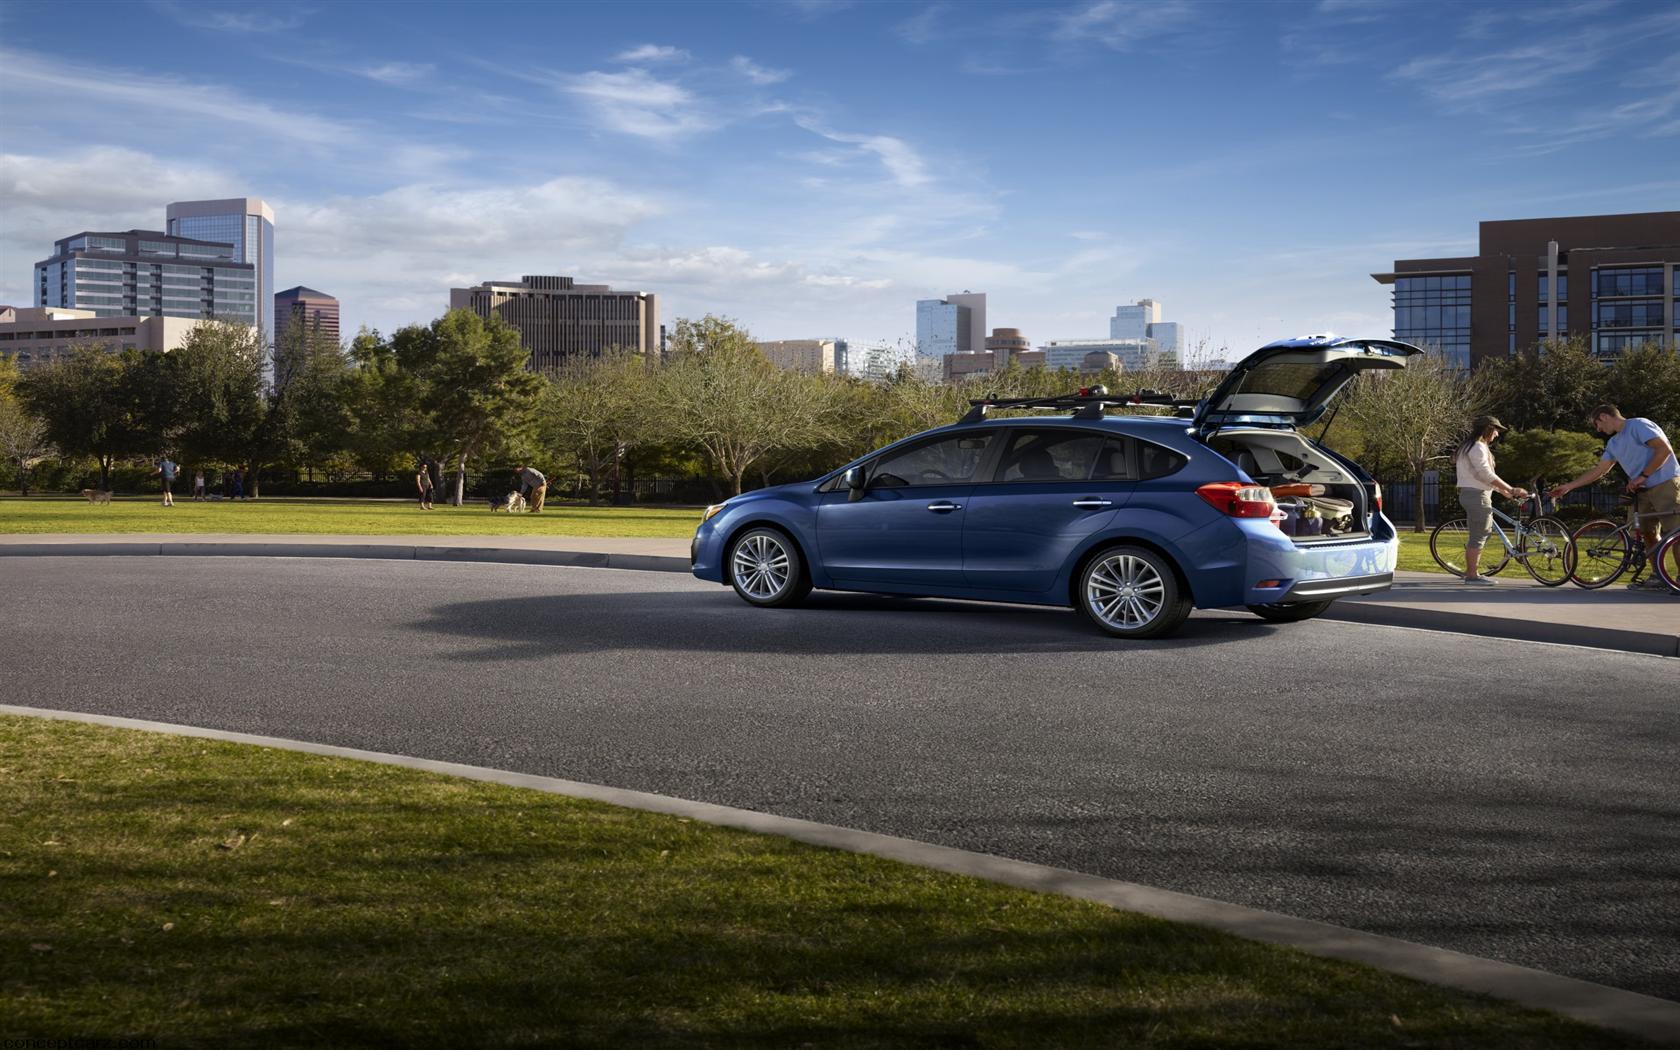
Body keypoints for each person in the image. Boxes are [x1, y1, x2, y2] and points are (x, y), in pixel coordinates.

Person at [1549, 404, 1679, 591]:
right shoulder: (1613, 443)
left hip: (1664, 483)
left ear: (1604, 416)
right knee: (1647, 533)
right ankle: (1659, 577)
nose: (1598, 429)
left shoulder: (1638, 425)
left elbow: (1663, 450)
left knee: (1676, 533)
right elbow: (1600, 470)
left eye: (1597, 424)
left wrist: (1643, 475)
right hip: (1641, 491)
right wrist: (1569, 486)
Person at [1453, 415, 1528, 586]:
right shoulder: (1477, 447)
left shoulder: (1471, 447)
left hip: (1475, 494)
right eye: (1495, 430)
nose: (1497, 434)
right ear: (1487, 429)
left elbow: (1482, 478)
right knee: (1480, 534)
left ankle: (1470, 571)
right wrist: (1510, 489)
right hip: (1476, 496)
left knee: (1480, 534)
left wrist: (1503, 491)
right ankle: (1472, 576)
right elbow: (1485, 474)